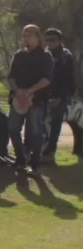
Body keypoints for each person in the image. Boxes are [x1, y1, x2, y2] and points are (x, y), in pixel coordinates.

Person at [7, 25, 53, 176]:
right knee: (13, 128)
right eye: (24, 35)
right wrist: (18, 92)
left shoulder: (45, 56)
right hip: (18, 99)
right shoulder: (19, 55)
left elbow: (46, 79)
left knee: (35, 132)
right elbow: (11, 77)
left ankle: (35, 164)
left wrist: (29, 92)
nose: (25, 38)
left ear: (37, 37)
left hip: (37, 99)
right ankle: (21, 160)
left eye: (29, 36)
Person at [43, 28, 76, 162]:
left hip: (60, 96)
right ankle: (39, 151)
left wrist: (60, 98)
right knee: (41, 124)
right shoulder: (44, 54)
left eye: (53, 40)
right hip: (44, 95)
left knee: (56, 124)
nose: (50, 42)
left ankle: (50, 152)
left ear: (59, 41)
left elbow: (68, 79)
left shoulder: (66, 56)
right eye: (48, 40)